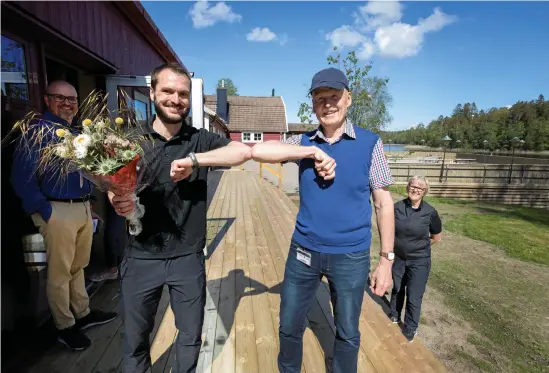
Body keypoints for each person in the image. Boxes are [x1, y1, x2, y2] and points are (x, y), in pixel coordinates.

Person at [250, 67, 396, 373]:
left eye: (334, 97)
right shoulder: (303, 142)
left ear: (348, 99)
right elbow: (260, 150)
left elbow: (383, 203)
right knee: (289, 324)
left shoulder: (371, 143)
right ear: (313, 104)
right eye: (320, 99)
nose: (327, 104)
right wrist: (310, 151)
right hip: (303, 251)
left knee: (347, 331)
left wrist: (386, 260)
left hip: (351, 256)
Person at [108, 62, 251, 373]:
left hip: (187, 256)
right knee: (135, 340)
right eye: (168, 91)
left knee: (189, 338)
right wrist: (115, 197)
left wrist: (196, 160)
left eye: (183, 94)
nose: (176, 99)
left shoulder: (199, 139)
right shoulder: (131, 140)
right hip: (140, 256)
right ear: (153, 93)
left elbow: (241, 151)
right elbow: (111, 181)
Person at [10, 81, 117, 351]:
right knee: (59, 273)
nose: (67, 103)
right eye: (60, 97)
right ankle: (65, 325)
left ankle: (83, 313)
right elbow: (20, 179)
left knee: (78, 266)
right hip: (56, 210)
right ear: (47, 100)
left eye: (72, 99)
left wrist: (89, 204)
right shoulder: (36, 133)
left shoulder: (78, 133)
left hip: (81, 208)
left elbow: (83, 174)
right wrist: (46, 212)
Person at [390, 175, 442, 342]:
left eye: (420, 188)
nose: (415, 189)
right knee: (397, 288)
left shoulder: (430, 212)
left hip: (419, 261)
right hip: (398, 258)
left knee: (414, 295)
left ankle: (410, 328)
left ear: (424, 191)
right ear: (408, 187)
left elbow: (436, 237)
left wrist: (418, 249)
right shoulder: (397, 207)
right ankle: (394, 315)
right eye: (413, 186)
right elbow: (388, 230)